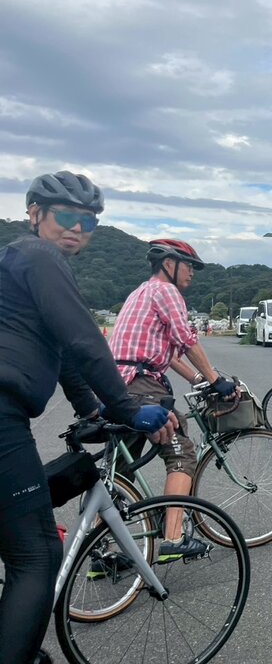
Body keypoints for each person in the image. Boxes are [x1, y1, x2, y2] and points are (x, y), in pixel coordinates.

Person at [0, 171, 176, 664]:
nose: (78, 227)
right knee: (37, 555)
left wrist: (92, 408)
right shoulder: (40, 255)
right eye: (66, 215)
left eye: (89, 221)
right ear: (35, 214)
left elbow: (64, 352)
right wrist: (128, 409)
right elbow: (84, 339)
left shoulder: (22, 263)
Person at [108, 239, 237, 561]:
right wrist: (216, 380)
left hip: (118, 387)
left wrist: (196, 379)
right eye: (188, 265)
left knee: (121, 471)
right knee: (182, 454)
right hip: (143, 386)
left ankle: (102, 551)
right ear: (169, 264)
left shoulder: (140, 292)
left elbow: (170, 351)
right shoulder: (166, 292)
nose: (192, 272)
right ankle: (173, 537)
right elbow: (187, 340)